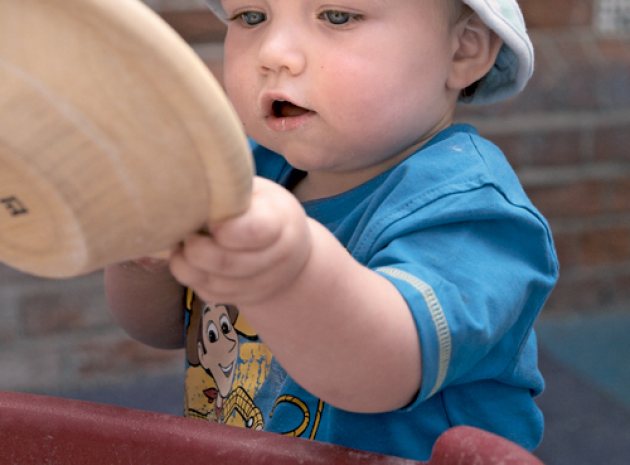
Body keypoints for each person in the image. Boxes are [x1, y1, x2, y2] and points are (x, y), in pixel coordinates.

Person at [104, 0, 559, 460]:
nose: (274, 53)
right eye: (252, 17)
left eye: (337, 16)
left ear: (463, 51)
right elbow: (163, 328)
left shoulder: (469, 213)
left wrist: (291, 274)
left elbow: (378, 373)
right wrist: (142, 255)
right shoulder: (244, 172)